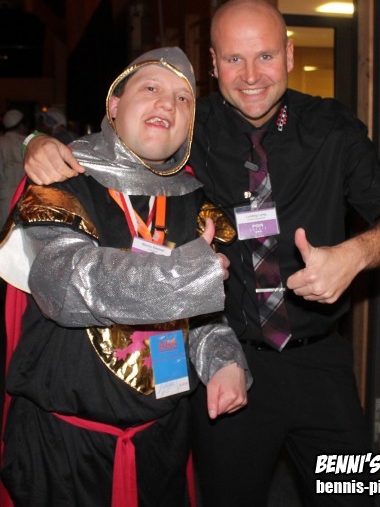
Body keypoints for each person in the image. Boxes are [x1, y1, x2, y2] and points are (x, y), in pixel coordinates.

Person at [21, 0, 380, 507]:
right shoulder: (189, 125)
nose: (251, 75)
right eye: (234, 58)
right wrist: (34, 141)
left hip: (321, 361)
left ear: (289, 54)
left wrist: (357, 254)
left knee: (360, 492)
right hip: (227, 361)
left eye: (265, 56)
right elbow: (117, 145)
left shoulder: (333, 126)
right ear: (213, 65)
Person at [0, 47, 250, 507]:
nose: (167, 103)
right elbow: (65, 286)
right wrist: (185, 275)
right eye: (151, 88)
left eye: (183, 98)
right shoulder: (62, 178)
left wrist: (223, 361)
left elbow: (203, 319)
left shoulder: (193, 200)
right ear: (114, 104)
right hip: (63, 452)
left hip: (161, 444)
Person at [0, 109, 29, 227]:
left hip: (5, 197)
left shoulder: (1, 142)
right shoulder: (29, 143)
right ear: (21, 125)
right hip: (26, 196)